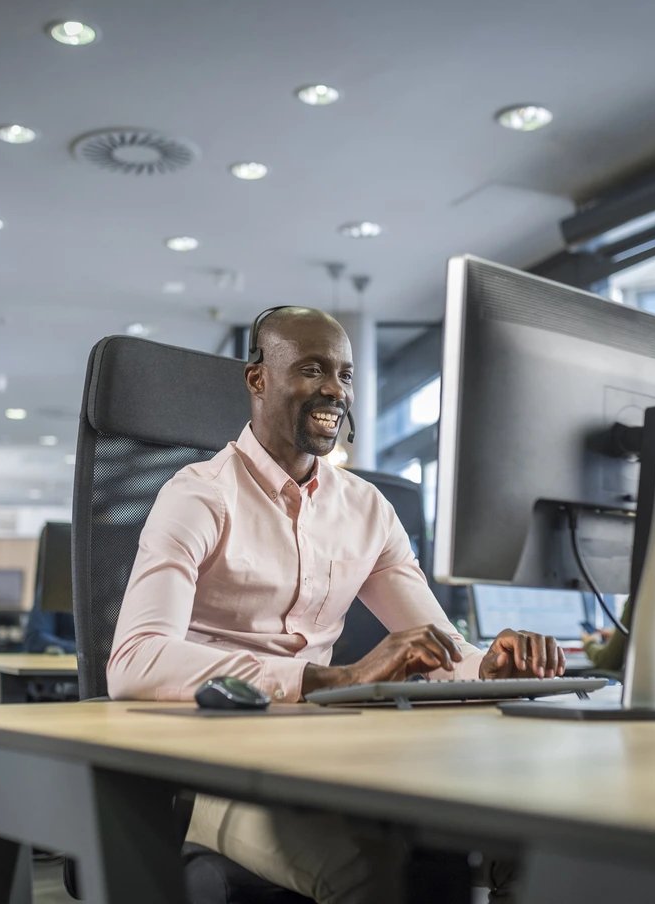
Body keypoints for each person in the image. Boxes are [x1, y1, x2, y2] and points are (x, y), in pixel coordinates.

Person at [107, 305, 561, 903]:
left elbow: (438, 644)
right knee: (375, 871)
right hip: (214, 771)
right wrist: (328, 677)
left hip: (333, 756)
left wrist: (486, 667)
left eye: (345, 374)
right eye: (313, 369)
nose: (334, 390)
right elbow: (135, 661)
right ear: (258, 378)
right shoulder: (197, 496)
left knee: (538, 841)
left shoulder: (367, 509)